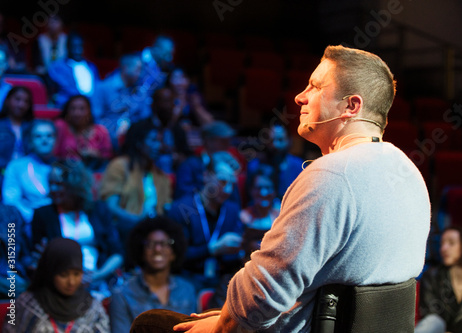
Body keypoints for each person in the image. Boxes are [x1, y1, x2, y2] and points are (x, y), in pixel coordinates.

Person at [131, 45, 430, 332]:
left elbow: (262, 294)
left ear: (351, 106)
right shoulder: (408, 172)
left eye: (315, 86)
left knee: (152, 324)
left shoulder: (333, 175)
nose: (300, 97)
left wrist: (225, 325)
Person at [31, 160, 123, 295]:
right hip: (62, 283)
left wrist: (97, 275)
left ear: (74, 185)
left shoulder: (98, 209)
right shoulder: (43, 215)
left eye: (59, 184)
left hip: (98, 278)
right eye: (51, 184)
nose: (53, 189)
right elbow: (37, 256)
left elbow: (117, 254)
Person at [168, 151, 243, 291]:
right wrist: (212, 249)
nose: (227, 190)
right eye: (222, 181)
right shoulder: (182, 209)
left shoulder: (232, 211)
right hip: (186, 280)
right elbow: (175, 257)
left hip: (221, 281)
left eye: (232, 184)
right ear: (206, 176)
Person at [2, 238, 110, 332]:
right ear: (50, 272)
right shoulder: (27, 304)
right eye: (64, 275)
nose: (71, 282)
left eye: (77, 274)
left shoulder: (92, 308)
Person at [109, 217, 196, 332]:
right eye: (150, 244)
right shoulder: (122, 295)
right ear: (141, 251)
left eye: (165, 243)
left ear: (173, 252)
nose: (158, 249)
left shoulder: (186, 290)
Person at [99, 120, 172, 243]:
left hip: (153, 232)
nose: (159, 146)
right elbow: (110, 207)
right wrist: (137, 220)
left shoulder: (161, 176)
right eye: (153, 140)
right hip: (125, 230)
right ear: (139, 142)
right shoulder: (119, 166)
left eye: (160, 141)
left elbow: (166, 209)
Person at [2, 119, 55, 225]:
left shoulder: (64, 166)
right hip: (28, 222)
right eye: (38, 136)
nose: (44, 140)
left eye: (49, 136)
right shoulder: (16, 166)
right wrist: (37, 218)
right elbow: (11, 201)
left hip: (61, 224)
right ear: (30, 141)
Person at [94, 53, 151, 151]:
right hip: (107, 140)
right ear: (125, 68)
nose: (140, 74)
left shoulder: (139, 91)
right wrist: (114, 130)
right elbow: (95, 118)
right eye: (137, 69)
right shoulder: (103, 88)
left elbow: (145, 116)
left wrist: (130, 125)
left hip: (133, 140)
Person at [53, 94, 113, 170]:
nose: (77, 113)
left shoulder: (100, 131)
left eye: (82, 109)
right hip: (64, 170)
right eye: (73, 108)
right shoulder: (60, 127)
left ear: (89, 111)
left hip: (93, 171)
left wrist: (97, 155)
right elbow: (52, 154)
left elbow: (107, 158)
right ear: (67, 111)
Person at [246, 122, 304, 202]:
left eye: (280, 140)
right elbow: (249, 199)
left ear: (289, 140)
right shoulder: (254, 166)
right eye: (271, 140)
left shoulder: (299, 166)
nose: (275, 145)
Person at [48, 32, 100, 108]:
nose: (77, 50)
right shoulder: (58, 67)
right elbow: (66, 88)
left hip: (91, 107)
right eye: (74, 47)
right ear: (67, 48)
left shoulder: (91, 67)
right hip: (68, 106)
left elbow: (98, 87)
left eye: (80, 46)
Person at [0, 86, 34, 177]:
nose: (21, 105)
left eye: (26, 101)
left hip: (28, 175)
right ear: (7, 101)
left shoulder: (33, 127)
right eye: (17, 99)